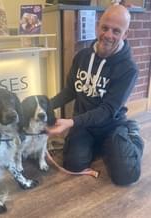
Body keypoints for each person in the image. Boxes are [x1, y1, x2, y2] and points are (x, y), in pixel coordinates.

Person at [47, 5, 144, 186]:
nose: (108, 35)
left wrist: (71, 122)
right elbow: (70, 90)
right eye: (105, 27)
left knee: (126, 176)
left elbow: (107, 110)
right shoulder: (82, 56)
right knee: (74, 165)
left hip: (111, 125)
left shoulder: (129, 68)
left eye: (116, 31)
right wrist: (45, 106)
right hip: (85, 125)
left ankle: (132, 133)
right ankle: (103, 147)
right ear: (98, 25)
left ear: (125, 34)